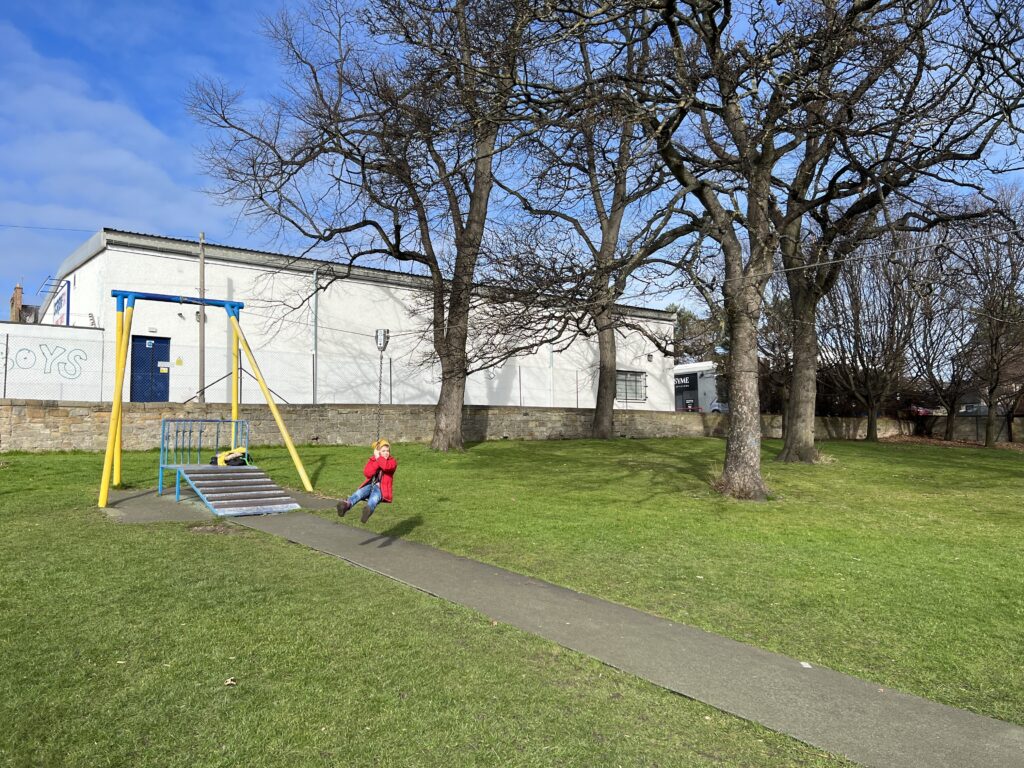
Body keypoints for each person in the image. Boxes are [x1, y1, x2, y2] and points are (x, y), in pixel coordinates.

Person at [337, 438, 397, 523]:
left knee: (374, 499)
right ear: (378, 451)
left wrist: (378, 458)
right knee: (359, 493)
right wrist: (376, 460)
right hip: (370, 485)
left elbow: (386, 467)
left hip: (381, 489)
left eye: (388, 451)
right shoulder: (373, 460)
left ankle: (367, 511)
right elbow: (367, 473)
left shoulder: (392, 462)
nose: (386, 453)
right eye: (383, 451)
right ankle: (346, 505)